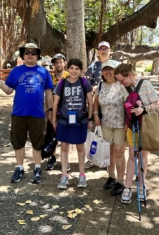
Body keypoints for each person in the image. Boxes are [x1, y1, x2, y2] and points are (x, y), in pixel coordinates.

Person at [0, 43, 54, 184]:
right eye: (27, 52)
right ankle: (19, 167)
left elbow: (48, 93)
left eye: (33, 52)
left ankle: (37, 168)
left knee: (37, 143)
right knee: (18, 142)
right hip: (19, 113)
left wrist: (50, 110)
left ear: (37, 55)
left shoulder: (44, 72)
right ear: (23, 55)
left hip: (38, 114)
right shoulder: (16, 71)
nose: (30, 55)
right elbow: (8, 90)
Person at [114, 63, 159, 204]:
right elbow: (124, 107)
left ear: (129, 75)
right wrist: (124, 124)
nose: (121, 83)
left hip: (145, 125)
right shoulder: (123, 89)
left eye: (122, 80)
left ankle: (141, 185)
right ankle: (127, 187)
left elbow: (157, 103)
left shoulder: (145, 84)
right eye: (119, 81)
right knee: (132, 155)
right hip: (131, 126)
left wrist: (144, 109)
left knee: (143, 156)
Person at [52, 58, 94, 189]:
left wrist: (90, 119)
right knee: (64, 147)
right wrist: (53, 119)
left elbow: (90, 103)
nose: (74, 71)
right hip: (64, 120)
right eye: (72, 68)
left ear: (81, 70)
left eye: (77, 69)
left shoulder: (84, 83)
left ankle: (82, 174)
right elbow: (55, 103)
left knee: (80, 147)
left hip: (80, 121)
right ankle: (64, 175)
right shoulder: (62, 84)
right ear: (67, 69)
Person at [93, 61, 129, 196]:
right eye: (105, 70)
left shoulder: (121, 85)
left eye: (110, 69)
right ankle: (111, 176)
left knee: (119, 152)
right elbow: (96, 102)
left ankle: (120, 181)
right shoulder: (101, 85)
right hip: (105, 124)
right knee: (109, 151)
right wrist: (95, 114)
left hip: (120, 125)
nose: (107, 72)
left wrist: (128, 121)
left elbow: (128, 104)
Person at [84, 41, 119, 168]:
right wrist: (93, 88)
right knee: (95, 132)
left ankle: (109, 161)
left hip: (115, 106)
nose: (103, 51)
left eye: (106, 49)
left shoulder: (117, 65)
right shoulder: (93, 67)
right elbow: (86, 84)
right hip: (97, 104)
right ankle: (94, 158)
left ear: (110, 50)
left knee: (112, 135)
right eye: (101, 49)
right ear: (98, 52)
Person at [45, 53, 70, 170]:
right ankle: (52, 157)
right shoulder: (50, 78)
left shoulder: (69, 76)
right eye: (56, 62)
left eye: (61, 62)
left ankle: (66, 160)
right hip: (54, 110)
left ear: (64, 63)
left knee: (66, 136)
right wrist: (49, 110)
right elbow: (48, 94)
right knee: (52, 134)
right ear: (53, 64)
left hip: (66, 111)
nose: (59, 64)